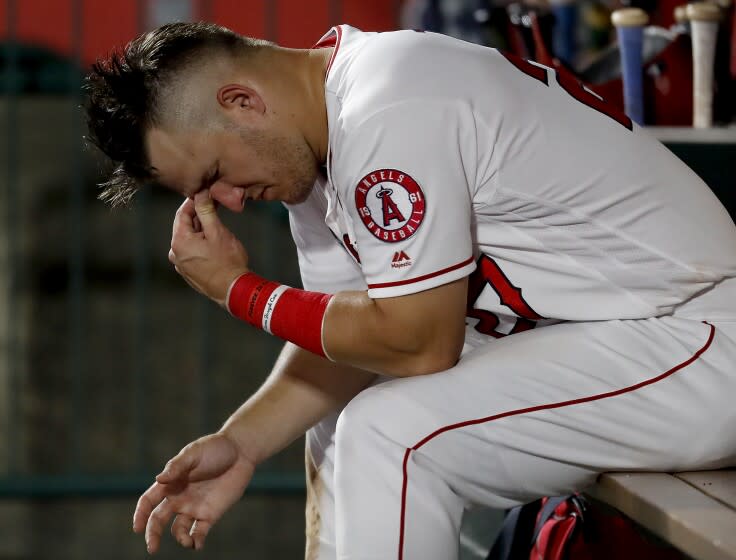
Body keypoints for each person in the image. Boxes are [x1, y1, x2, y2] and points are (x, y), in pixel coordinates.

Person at [83, 21, 736, 560]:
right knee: (345, 422)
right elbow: (353, 340)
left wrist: (241, 292)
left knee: (390, 433)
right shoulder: (317, 144)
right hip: (617, 341)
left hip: (701, 337)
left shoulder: (388, 105)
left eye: (217, 173)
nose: (227, 200)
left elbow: (419, 342)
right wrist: (243, 440)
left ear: (243, 102)